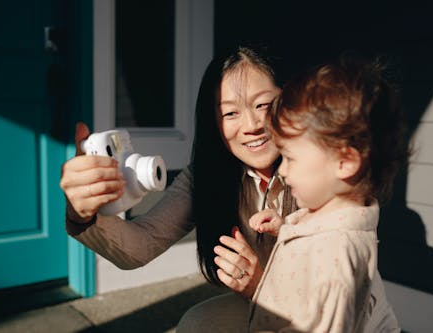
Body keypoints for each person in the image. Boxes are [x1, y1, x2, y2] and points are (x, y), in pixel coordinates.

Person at [60, 46, 397, 332]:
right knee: (196, 324)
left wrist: (259, 281)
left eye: (263, 105)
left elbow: (329, 306)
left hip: (349, 321)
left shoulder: (324, 178)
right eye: (230, 113)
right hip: (269, 305)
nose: (250, 125)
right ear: (213, 123)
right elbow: (140, 246)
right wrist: (82, 213)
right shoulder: (209, 173)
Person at [248, 58, 407, 332]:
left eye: (290, 158)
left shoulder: (335, 262)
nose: (282, 170)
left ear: (345, 162)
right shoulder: (330, 215)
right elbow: (316, 237)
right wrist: (284, 228)